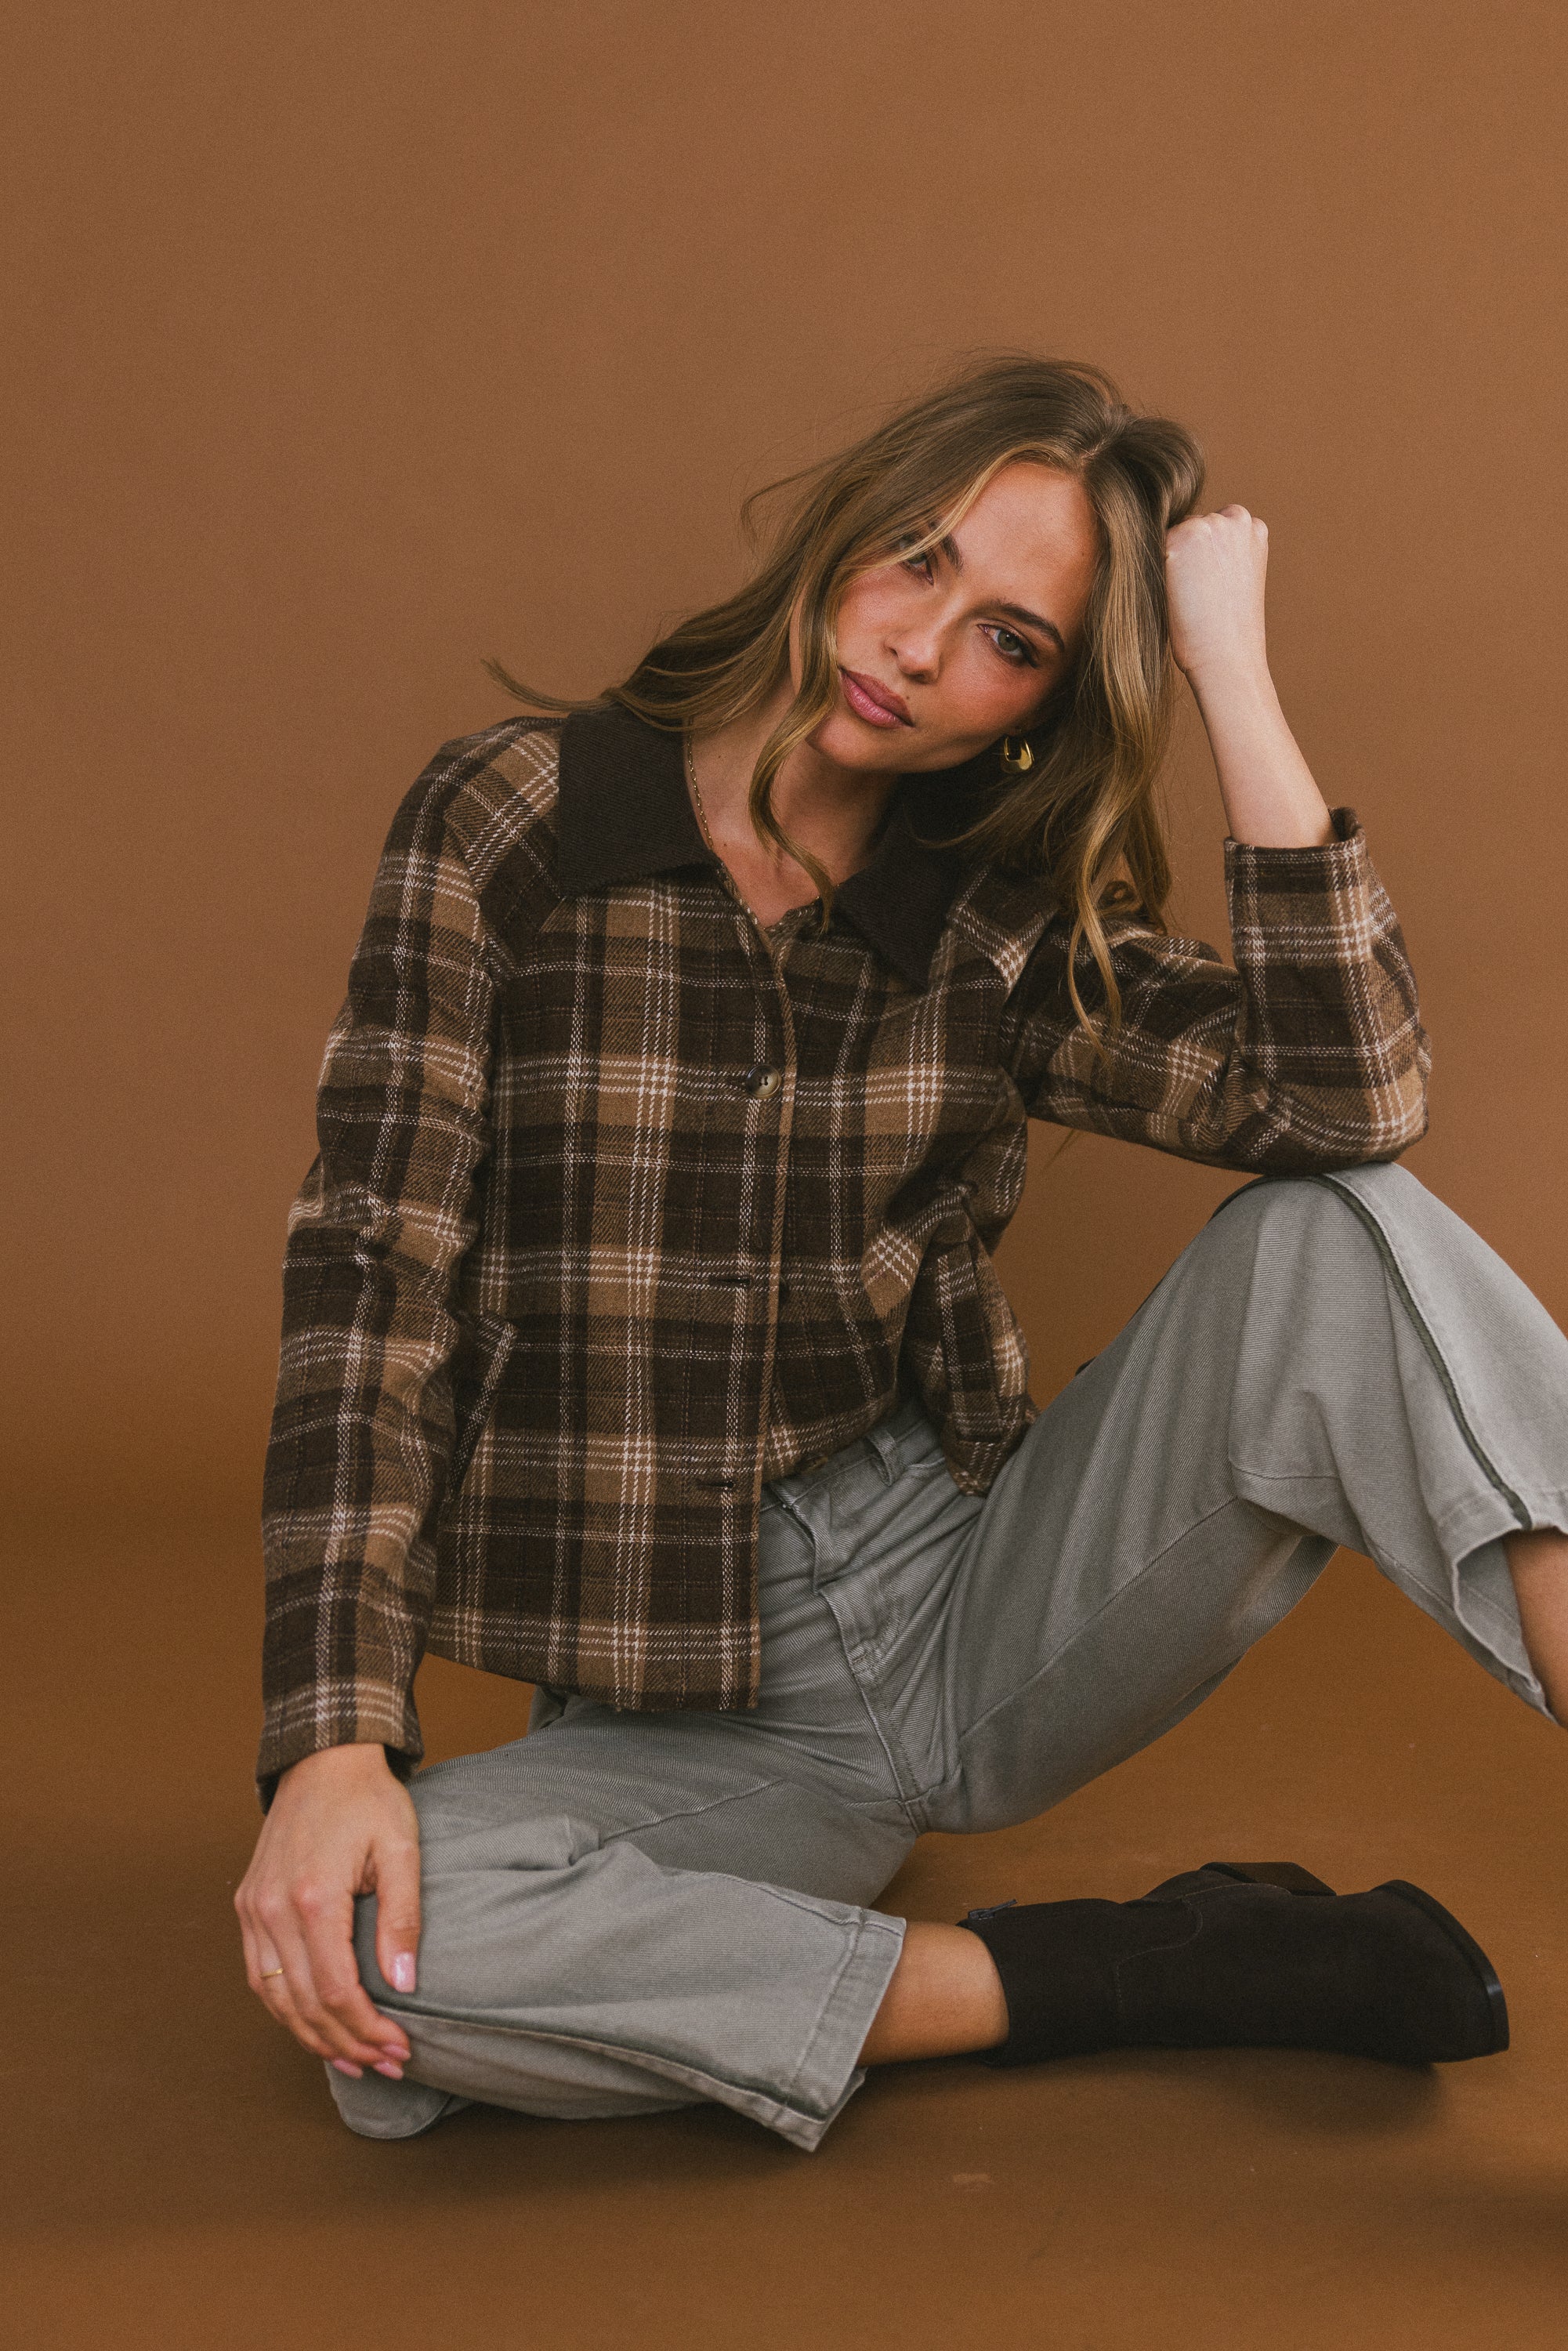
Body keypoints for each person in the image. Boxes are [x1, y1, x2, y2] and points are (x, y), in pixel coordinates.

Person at [237, 357, 1568, 2151]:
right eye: (918, 559)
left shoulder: (986, 917)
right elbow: (370, 1290)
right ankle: (1139, 1972)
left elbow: (1347, 1099)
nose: (921, 646)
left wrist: (1228, 673)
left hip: (965, 1609)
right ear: (842, 528)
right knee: (377, 1971)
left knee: (1335, 1235)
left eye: (1010, 639)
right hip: (692, 1719)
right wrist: (333, 1741)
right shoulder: (517, 826)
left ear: (1037, 706)